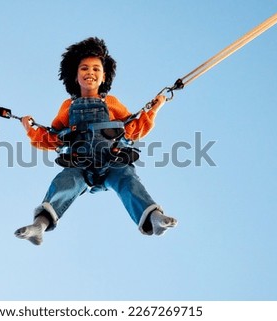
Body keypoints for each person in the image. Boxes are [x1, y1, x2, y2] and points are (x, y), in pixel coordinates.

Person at [15, 37, 177, 245]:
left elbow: (130, 130)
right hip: (80, 164)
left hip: (112, 159)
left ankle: (153, 217)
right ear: (75, 75)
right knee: (65, 183)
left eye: (95, 69)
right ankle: (40, 225)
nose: (90, 73)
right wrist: (30, 129)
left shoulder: (111, 102)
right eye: (84, 68)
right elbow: (53, 138)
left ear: (104, 76)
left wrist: (154, 108)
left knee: (128, 181)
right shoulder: (67, 106)